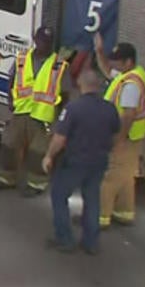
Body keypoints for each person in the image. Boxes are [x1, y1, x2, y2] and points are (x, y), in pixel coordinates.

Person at [42, 69, 121, 254]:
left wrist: (49, 156)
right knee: (92, 199)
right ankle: (91, 243)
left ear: (80, 85)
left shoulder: (73, 108)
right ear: (99, 87)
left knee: (59, 195)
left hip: (75, 162)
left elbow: (60, 138)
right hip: (99, 161)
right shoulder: (110, 108)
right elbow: (116, 133)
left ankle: (65, 239)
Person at [0, 26, 69, 196]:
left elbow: (66, 94)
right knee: (9, 144)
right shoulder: (22, 59)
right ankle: (5, 178)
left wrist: (59, 120)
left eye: (47, 42)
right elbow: (11, 80)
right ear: (35, 39)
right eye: (41, 41)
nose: (44, 45)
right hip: (20, 112)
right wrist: (10, 100)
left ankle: (36, 184)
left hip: (43, 118)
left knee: (38, 152)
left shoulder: (59, 65)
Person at [93, 34, 145, 228]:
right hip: (134, 138)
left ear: (128, 61)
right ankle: (124, 212)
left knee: (109, 176)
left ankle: (99, 217)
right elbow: (107, 70)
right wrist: (99, 51)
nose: (114, 64)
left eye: (117, 61)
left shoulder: (130, 85)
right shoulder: (131, 74)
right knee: (126, 176)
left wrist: (117, 139)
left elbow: (128, 115)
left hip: (125, 137)